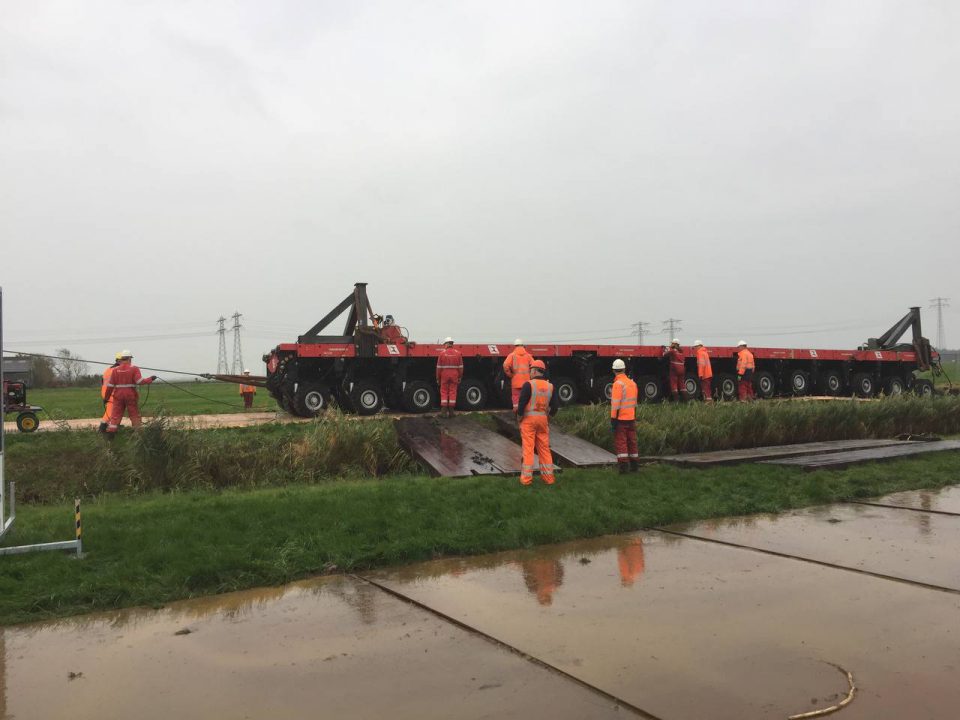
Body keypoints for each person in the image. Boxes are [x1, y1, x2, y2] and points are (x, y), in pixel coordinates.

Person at [515, 359, 558, 486]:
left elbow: (521, 404)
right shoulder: (550, 386)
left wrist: (519, 417)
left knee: (528, 449)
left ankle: (526, 479)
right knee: (544, 449)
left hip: (529, 421)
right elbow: (555, 407)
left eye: (530, 370)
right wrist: (548, 417)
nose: (529, 373)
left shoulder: (529, 385)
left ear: (534, 371)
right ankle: (549, 479)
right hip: (543, 420)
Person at [102, 350, 156, 438]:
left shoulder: (115, 370)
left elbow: (110, 386)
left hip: (118, 396)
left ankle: (111, 435)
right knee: (134, 414)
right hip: (130, 395)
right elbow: (140, 381)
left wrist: (106, 398)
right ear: (129, 359)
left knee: (115, 415)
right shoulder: (134, 368)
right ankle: (138, 434)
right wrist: (151, 379)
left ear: (121, 359)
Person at [610, 359, 639, 473]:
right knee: (632, 441)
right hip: (631, 417)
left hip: (621, 419)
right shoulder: (633, 383)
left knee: (621, 442)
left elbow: (615, 404)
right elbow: (635, 403)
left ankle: (623, 467)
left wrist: (613, 420)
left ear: (614, 371)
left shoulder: (618, 384)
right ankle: (634, 465)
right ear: (624, 369)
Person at [436, 337, 463, 418]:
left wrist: (438, 378)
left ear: (447, 344)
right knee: (453, 391)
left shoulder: (442, 354)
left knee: (444, 391)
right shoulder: (458, 353)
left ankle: (443, 412)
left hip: (444, 374)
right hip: (455, 374)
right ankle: (451, 412)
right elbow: (461, 367)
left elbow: (439, 367)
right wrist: (460, 376)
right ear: (452, 344)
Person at [503, 339, 533, 411]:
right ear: (523, 346)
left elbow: (505, 366)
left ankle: (517, 413)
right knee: (526, 397)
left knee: (516, 397)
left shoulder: (512, 355)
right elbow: (534, 366)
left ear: (515, 346)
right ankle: (526, 411)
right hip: (526, 382)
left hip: (516, 382)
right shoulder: (528, 356)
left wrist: (510, 375)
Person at [98, 352, 122, 433]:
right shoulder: (117, 370)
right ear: (119, 360)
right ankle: (102, 430)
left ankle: (110, 428)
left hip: (106, 394)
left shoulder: (107, 370)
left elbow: (102, 381)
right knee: (109, 414)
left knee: (111, 413)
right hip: (112, 395)